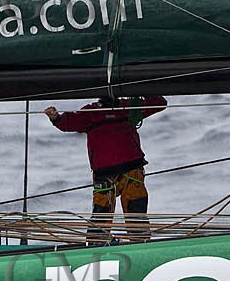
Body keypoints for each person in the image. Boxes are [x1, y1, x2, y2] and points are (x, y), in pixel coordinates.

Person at [45, 95, 166, 242]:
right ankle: (97, 244)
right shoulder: (92, 112)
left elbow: (159, 103)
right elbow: (68, 122)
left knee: (135, 213)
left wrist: (139, 89)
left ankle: (139, 243)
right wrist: (56, 118)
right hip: (110, 174)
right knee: (102, 215)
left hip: (129, 170)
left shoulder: (129, 106)